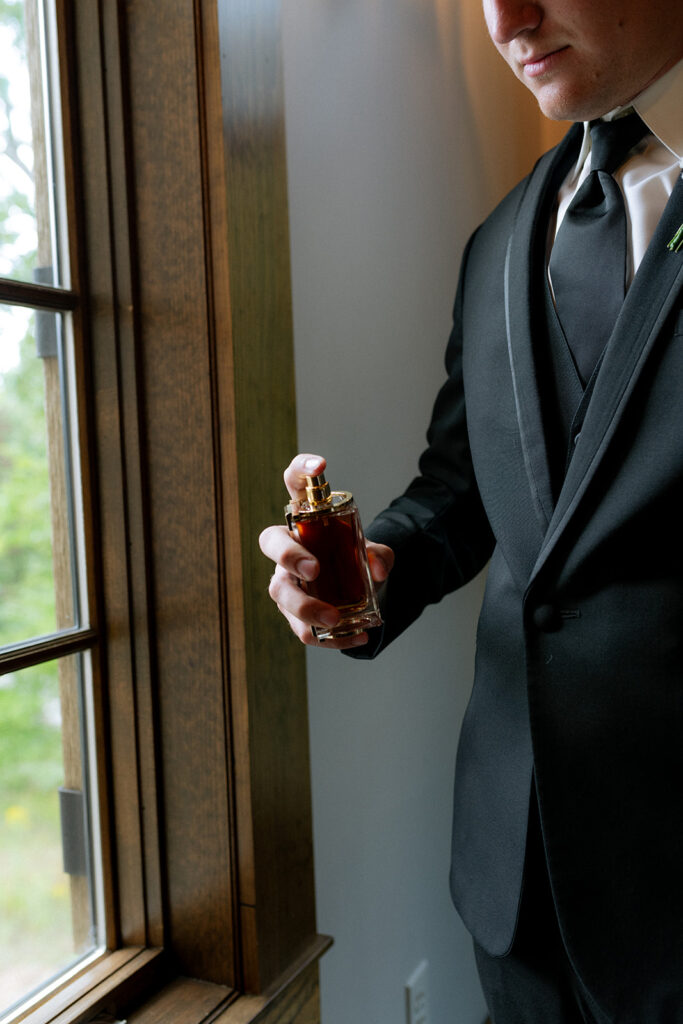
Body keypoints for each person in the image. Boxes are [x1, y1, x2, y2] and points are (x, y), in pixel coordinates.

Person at [259, 0, 683, 1020]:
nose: (503, 19)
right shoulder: (499, 238)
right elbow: (457, 493)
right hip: (512, 878)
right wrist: (364, 571)